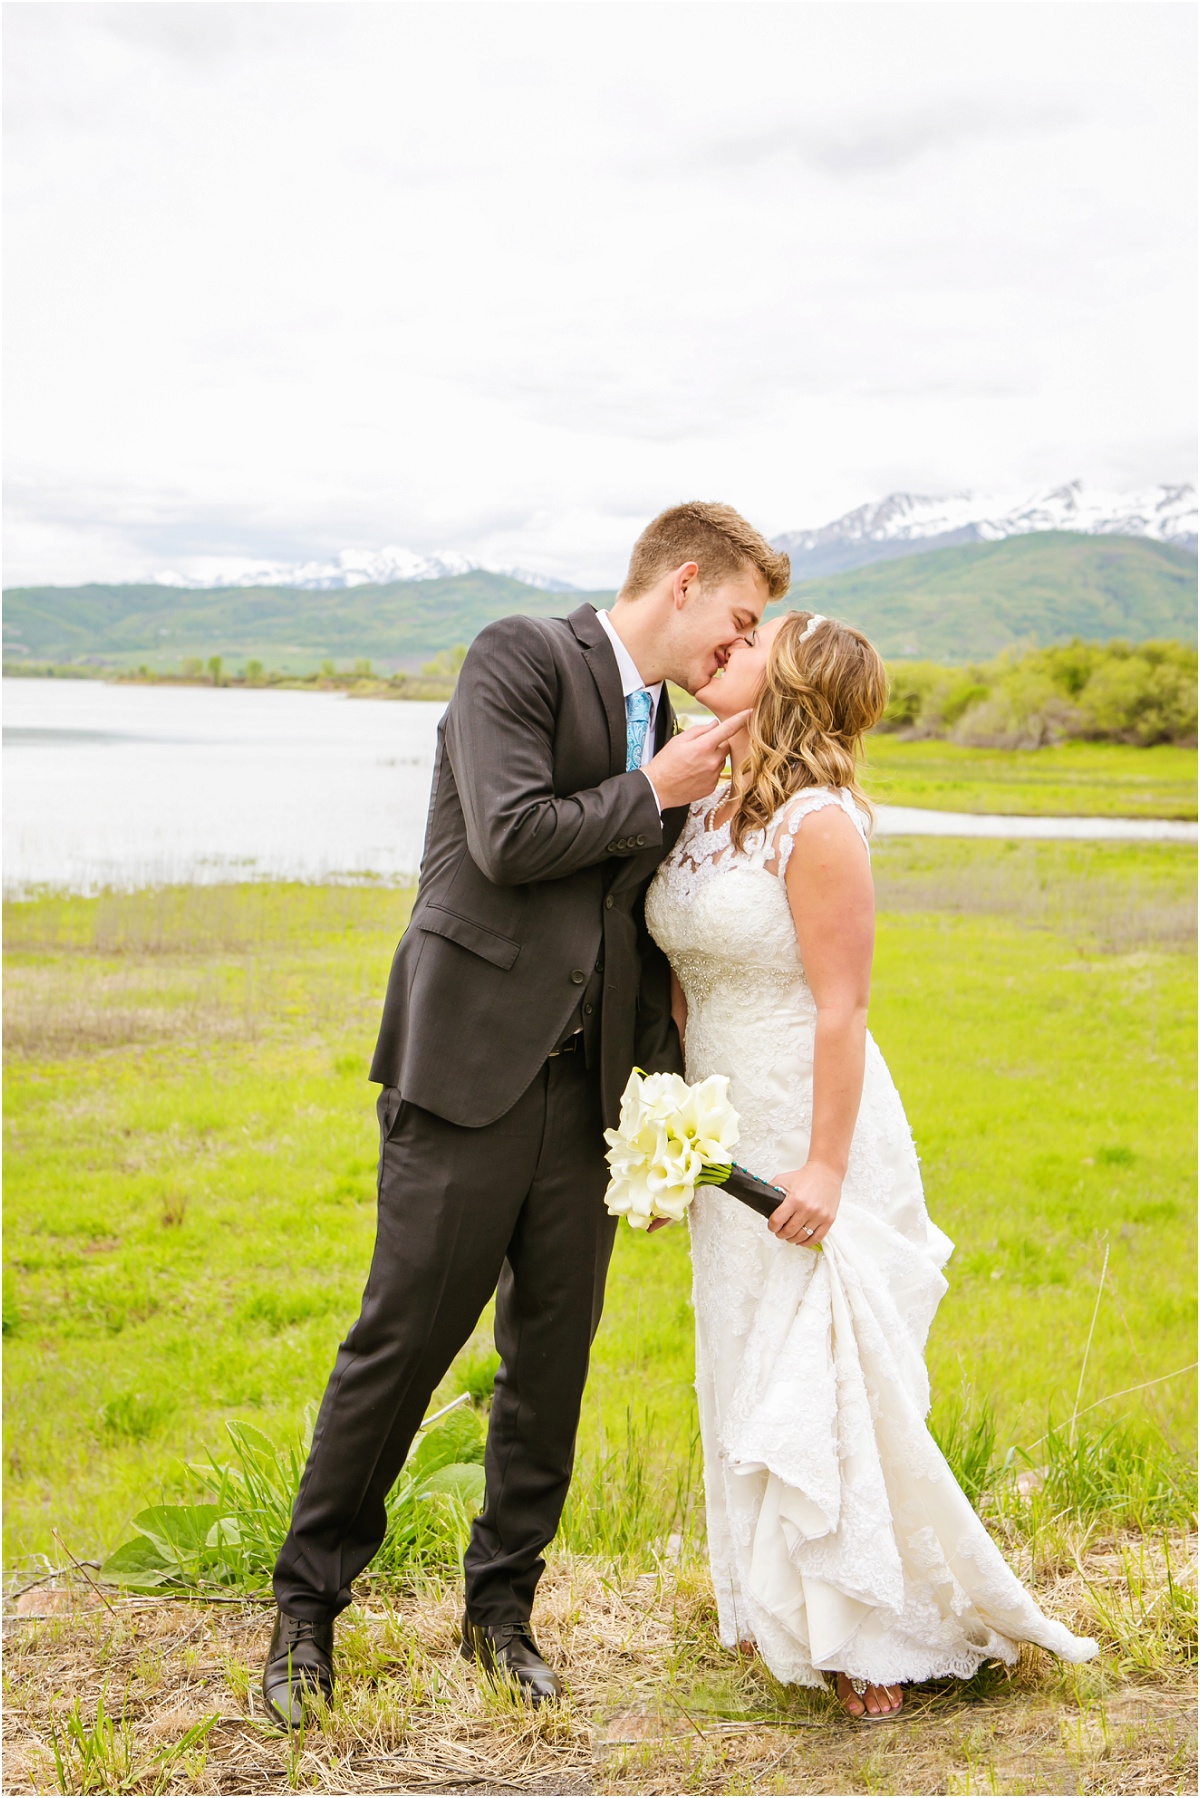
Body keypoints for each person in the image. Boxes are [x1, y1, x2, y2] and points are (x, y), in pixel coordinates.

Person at [261, 503, 792, 1727]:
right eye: (741, 617)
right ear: (687, 580)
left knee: (550, 1363)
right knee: (400, 1348)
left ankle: (502, 1615)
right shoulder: (520, 655)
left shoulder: (679, 727)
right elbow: (506, 839)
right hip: (466, 1079)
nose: (743, 642)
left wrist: (661, 1110)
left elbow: (638, 925)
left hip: (586, 1103)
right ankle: (305, 1613)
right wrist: (649, 787)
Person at [644, 610, 1097, 1720]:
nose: (723, 647)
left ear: (785, 685)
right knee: (747, 1357)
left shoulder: (820, 823)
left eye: (749, 644)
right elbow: (681, 978)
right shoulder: (698, 800)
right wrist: (667, 1143)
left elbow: (843, 1008)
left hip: (814, 1123)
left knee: (829, 1370)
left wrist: (828, 1172)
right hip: (725, 1120)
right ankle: (777, 1611)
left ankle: (872, 1637)